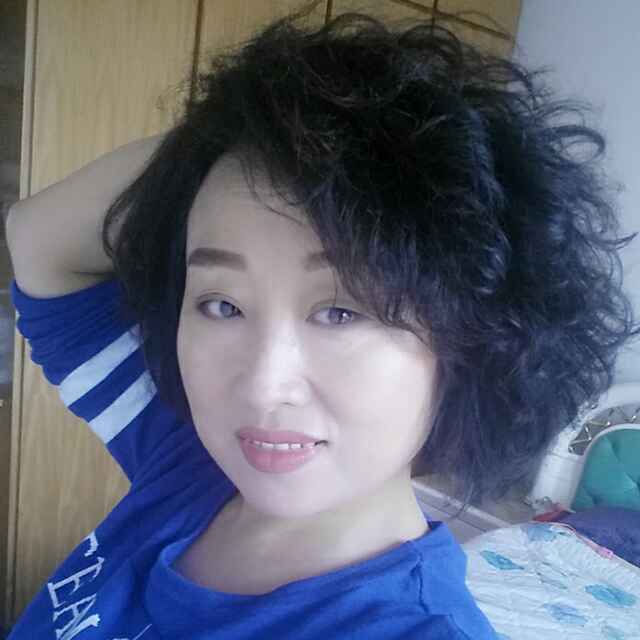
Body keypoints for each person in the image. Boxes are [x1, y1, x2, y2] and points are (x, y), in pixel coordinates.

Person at [5, 1, 639, 637]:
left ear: (468, 337)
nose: (263, 387)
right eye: (222, 304)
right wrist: (229, 135)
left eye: (339, 311)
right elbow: (37, 242)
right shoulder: (187, 463)